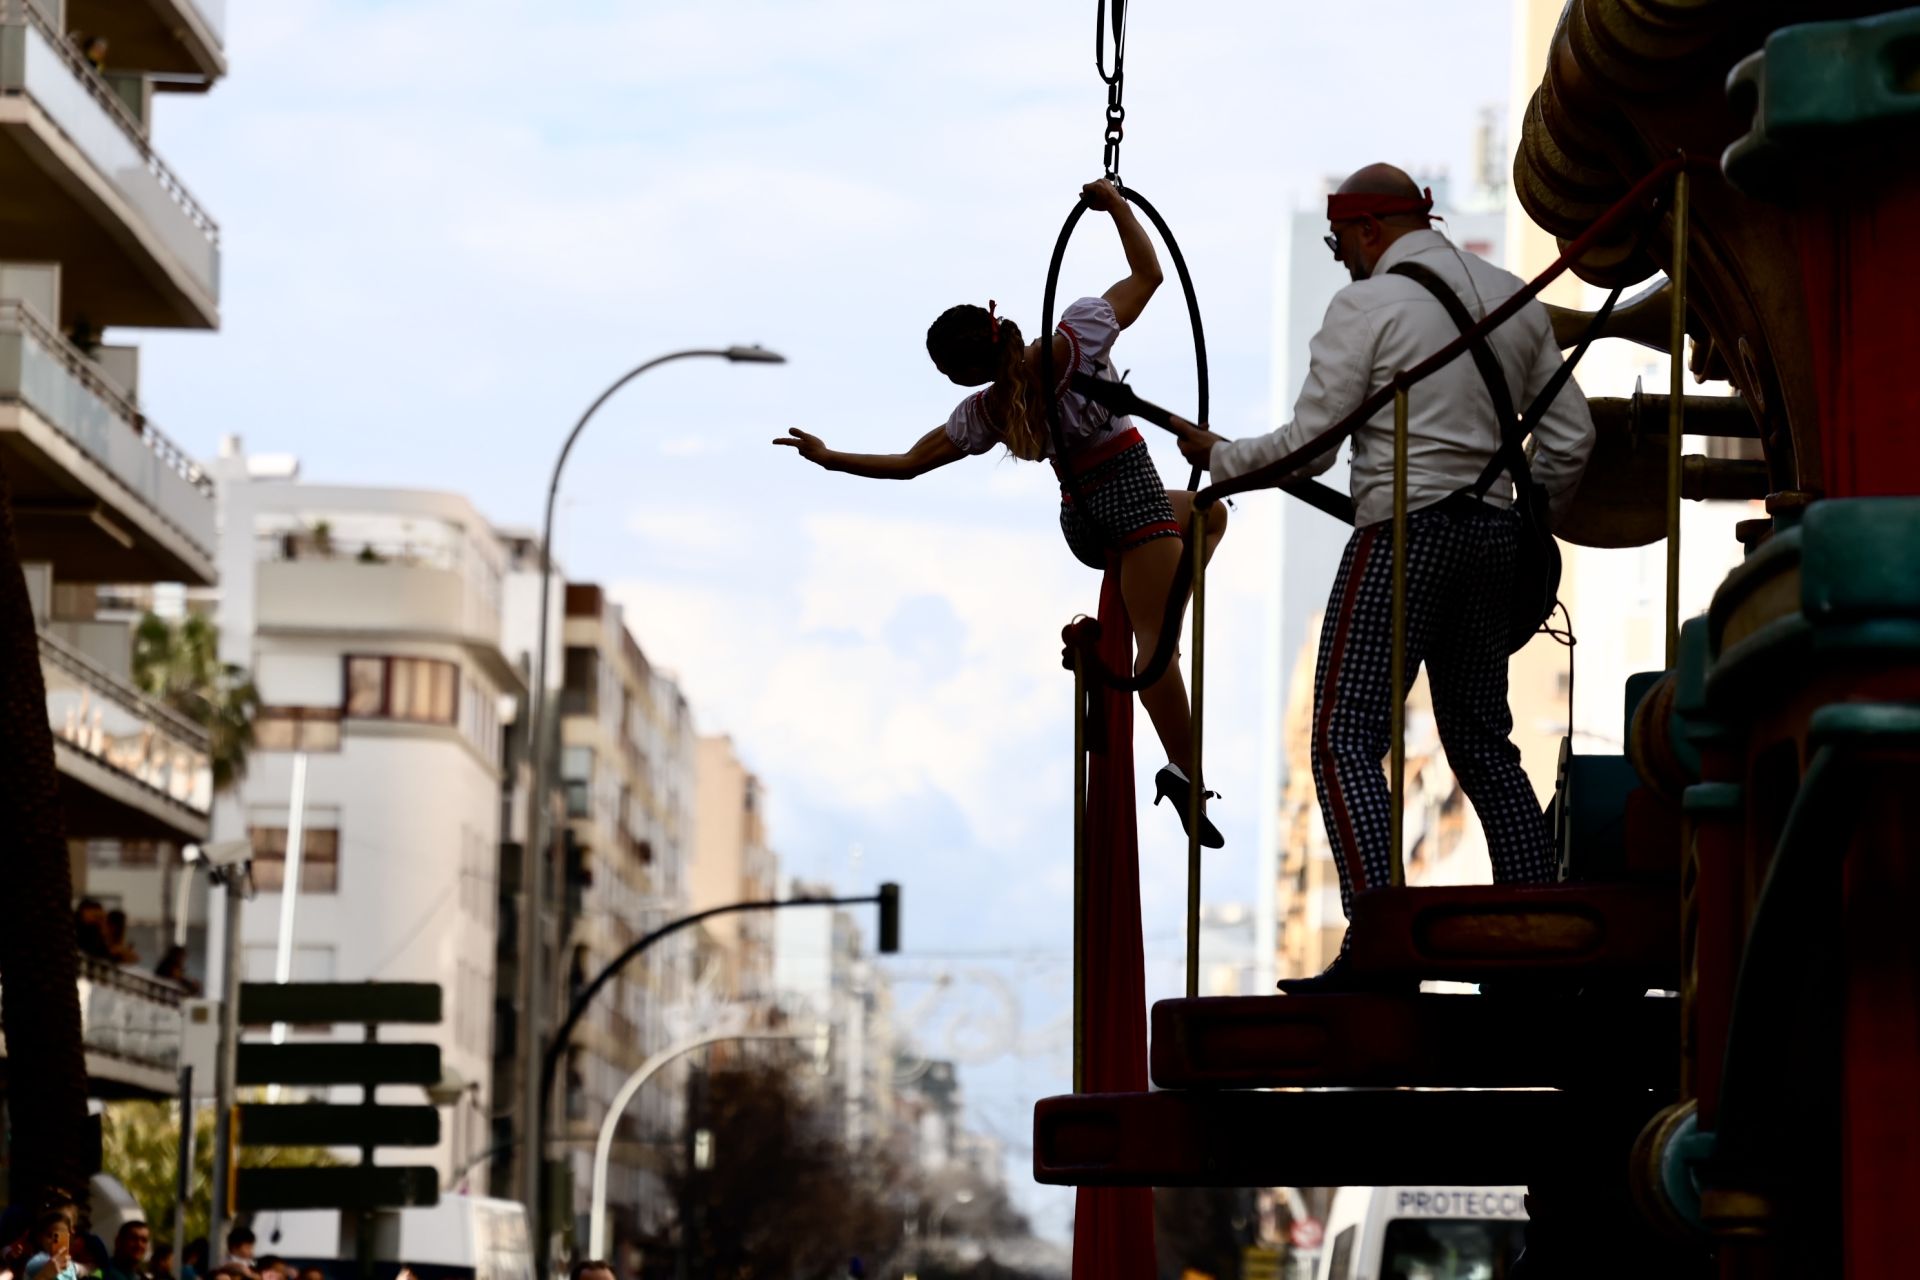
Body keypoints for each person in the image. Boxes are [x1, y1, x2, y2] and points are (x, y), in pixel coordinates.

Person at [1175, 162, 1595, 992]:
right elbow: (1573, 439)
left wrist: (1221, 462)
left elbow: (1312, 444)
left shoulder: (1366, 305)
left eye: (1339, 244)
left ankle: (1382, 941)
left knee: (1344, 733)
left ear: (1368, 228)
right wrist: (1522, 515)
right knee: (1483, 744)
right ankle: (1538, 934)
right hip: (1497, 539)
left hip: (1404, 535)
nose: (1342, 260)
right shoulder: (1513, 299)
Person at [775, 178, 1230, 846]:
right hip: (1130, 496)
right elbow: (1149, 274)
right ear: (997, 321)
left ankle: (1157, 623)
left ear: (962, 375)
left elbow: (906, 464)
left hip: (1083, 517)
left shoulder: (987, 412)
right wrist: (1116, 207)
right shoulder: (1073, 340)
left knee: (1207, 515)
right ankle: (1183, 769)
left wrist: (830, 457)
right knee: (1157, 646)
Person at [24, 1211, 79, 1280]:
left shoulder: (70, 1264)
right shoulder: (36, 1262)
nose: (55, 1240)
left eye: (61, 1235)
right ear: (40, 1238)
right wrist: (45, 1275)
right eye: (50, 1235)